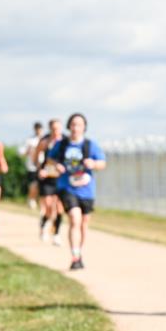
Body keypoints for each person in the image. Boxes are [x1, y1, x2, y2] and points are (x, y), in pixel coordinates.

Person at [50, 113, 106, 270]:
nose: (75, 128)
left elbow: (102, 163)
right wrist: (57, 166)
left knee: (84, 224)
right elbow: (50, 158)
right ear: (69, 126)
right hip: (67, 187)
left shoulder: (90, 145)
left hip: (86, 190)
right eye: (73, 124)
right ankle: (74, 256)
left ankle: (79, 252)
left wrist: (93, 163)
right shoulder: (61, 144)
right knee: (75, 219)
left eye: (79, 125)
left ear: (84, 127)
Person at [34, 118, 66, 245]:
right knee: (48, 206)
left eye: (58, 128)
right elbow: (36, 156)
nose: (56, 131)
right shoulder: (45, 141)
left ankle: (56, 233)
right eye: (53, 128)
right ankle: (43, 225)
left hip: (60, 178)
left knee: (59, 208)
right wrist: (39, 169)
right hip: (47, 177)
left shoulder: (65, 141)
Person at [20, 122, 44, 210]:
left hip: (43, 166)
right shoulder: (29, 140)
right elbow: (21, 152)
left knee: (42, 186)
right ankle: (32, 199)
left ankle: (40, 203)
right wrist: (28, 151)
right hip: (32, 166)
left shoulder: (44, 139)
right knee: (33, 184)